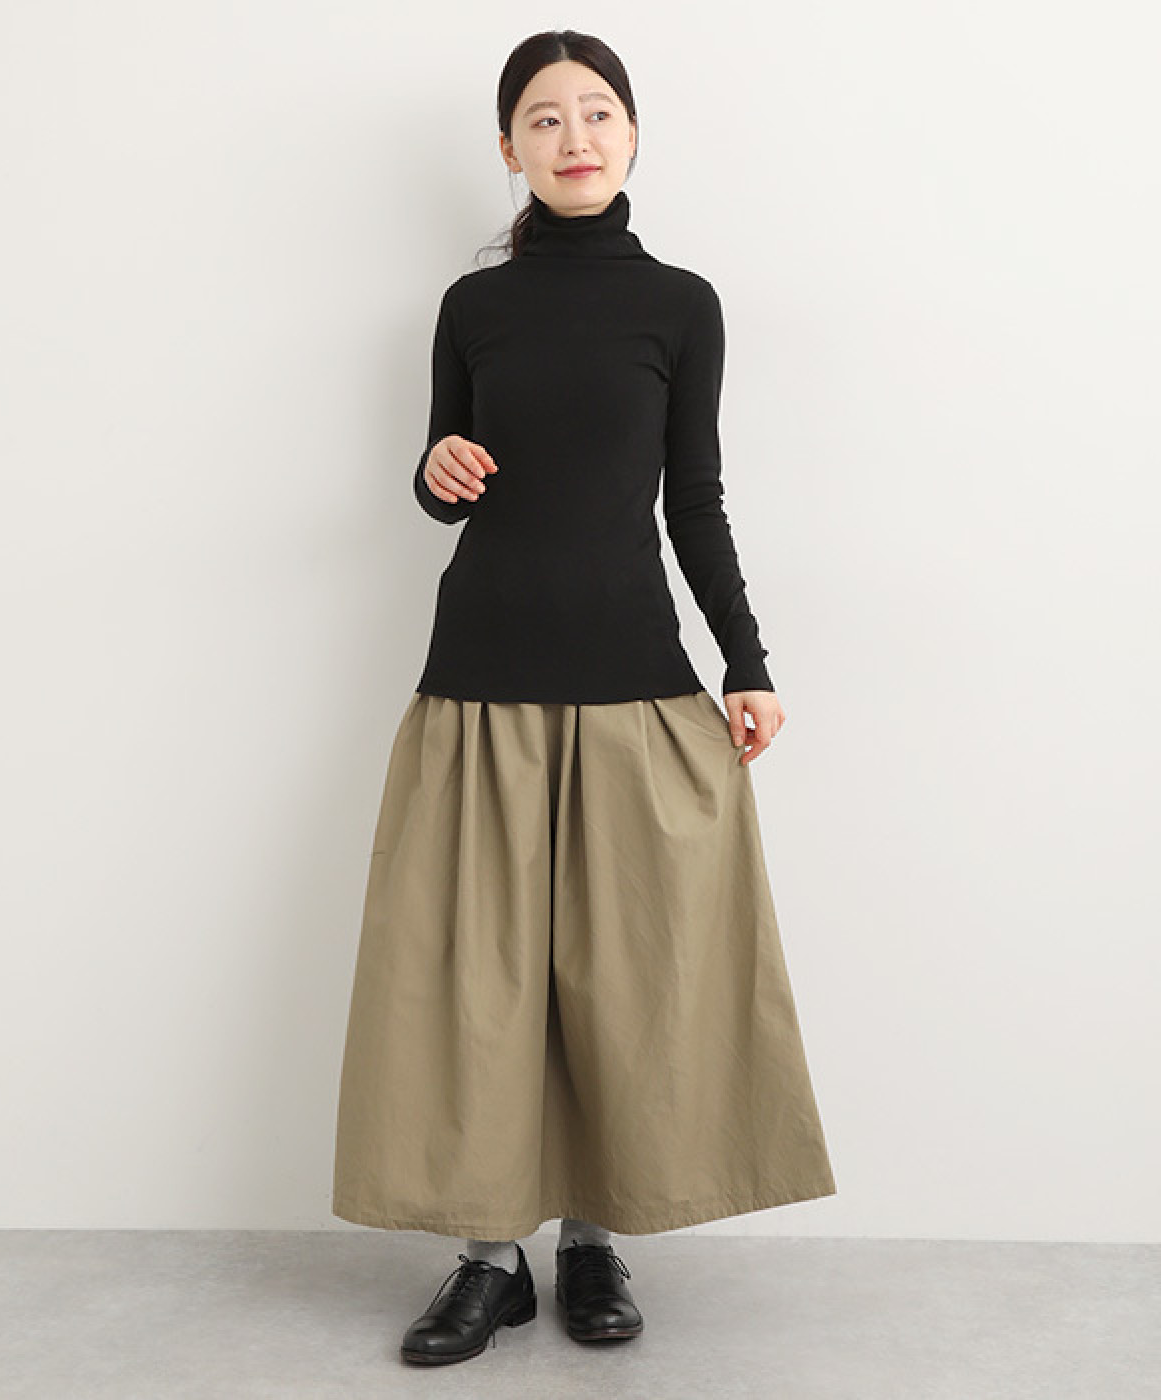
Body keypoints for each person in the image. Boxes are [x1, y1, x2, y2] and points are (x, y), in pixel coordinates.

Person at [331, 29, 837, 1367]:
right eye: (545, 118)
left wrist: (747, 660)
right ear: (508, 146)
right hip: (482, 682)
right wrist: (435, 468)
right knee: (478, 988)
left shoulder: (682, 305)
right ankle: (488, 1260)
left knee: (626, 984)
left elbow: (696, 501)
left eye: (598, 111)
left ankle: (593, 1242)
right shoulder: (472, 308)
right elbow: (442, 481)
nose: (574, 136)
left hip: (633, 687)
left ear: (633, 135)